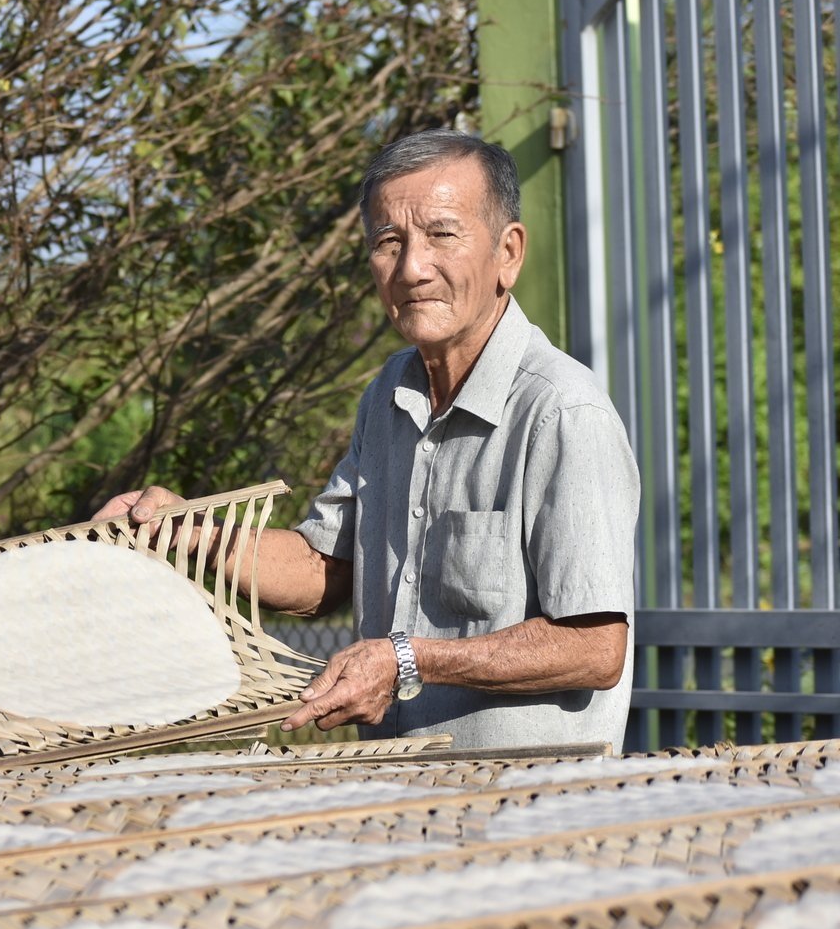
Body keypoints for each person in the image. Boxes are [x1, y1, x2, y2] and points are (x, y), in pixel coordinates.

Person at [96, 130, 638, 749]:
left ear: (508, 253)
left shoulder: (562, 411)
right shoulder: (388, 394)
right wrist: (188, 533)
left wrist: (407, 660)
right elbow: (326, 566)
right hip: (401, 799)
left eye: (442, 234)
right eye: (389, 242)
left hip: (527, 812)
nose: (412, 268)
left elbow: (595, 648)